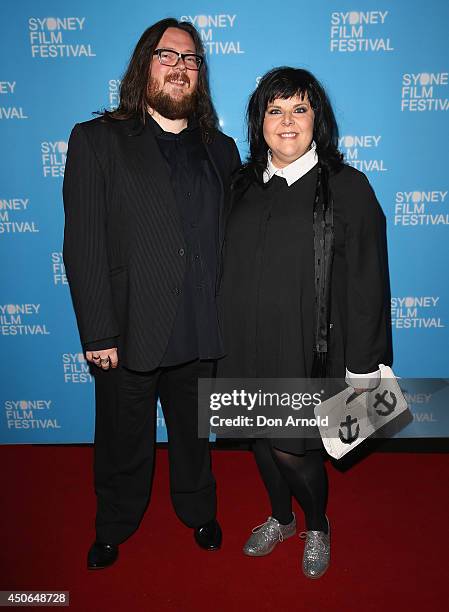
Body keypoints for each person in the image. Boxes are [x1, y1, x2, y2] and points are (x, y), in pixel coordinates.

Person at [63, 18, 241, 569]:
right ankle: (114, 522)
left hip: (200, 325)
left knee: (194, 436)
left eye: (190, 59)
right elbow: (84, 242)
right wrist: (98, 331)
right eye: (168, 56)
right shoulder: (97, 140)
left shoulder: (222, 149)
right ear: (145, 66)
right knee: (122, 438)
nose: (180, 67)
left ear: (200, 75)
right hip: (129, 327)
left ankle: (198, 511)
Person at [218, 67, 391, 578]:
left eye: (299, 109)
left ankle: (317, 524)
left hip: (308, 348)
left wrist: (365, 367)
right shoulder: (242, 185)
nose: (286, 121)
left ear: (318, 118)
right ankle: (279, 517)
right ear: (260, 122)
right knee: (260, 441)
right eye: (274, 110)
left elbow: (367, 282)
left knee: (293, 450)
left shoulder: (347, 186)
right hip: (244, 345)